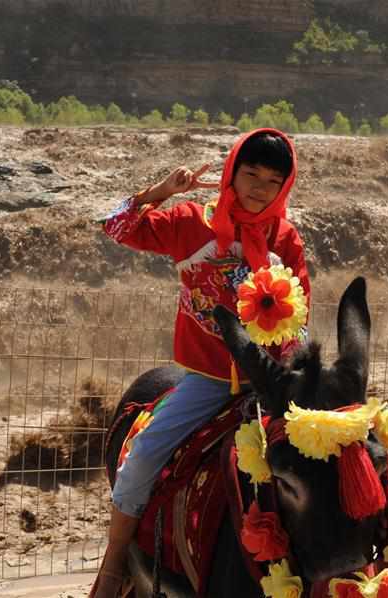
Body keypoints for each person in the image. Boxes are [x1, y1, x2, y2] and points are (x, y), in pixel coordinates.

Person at [92, 128, 310, 597]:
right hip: (207, 381)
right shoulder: (193, 223)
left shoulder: (286, 239)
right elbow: (115, 226)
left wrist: (290, 358)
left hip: (269, 386)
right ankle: (114, 564)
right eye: (250, 174)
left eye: (273, 181)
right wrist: (161, 192)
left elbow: (302, 313)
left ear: (284, 189)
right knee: (144, 455)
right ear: (231, 172)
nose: (258, 188)